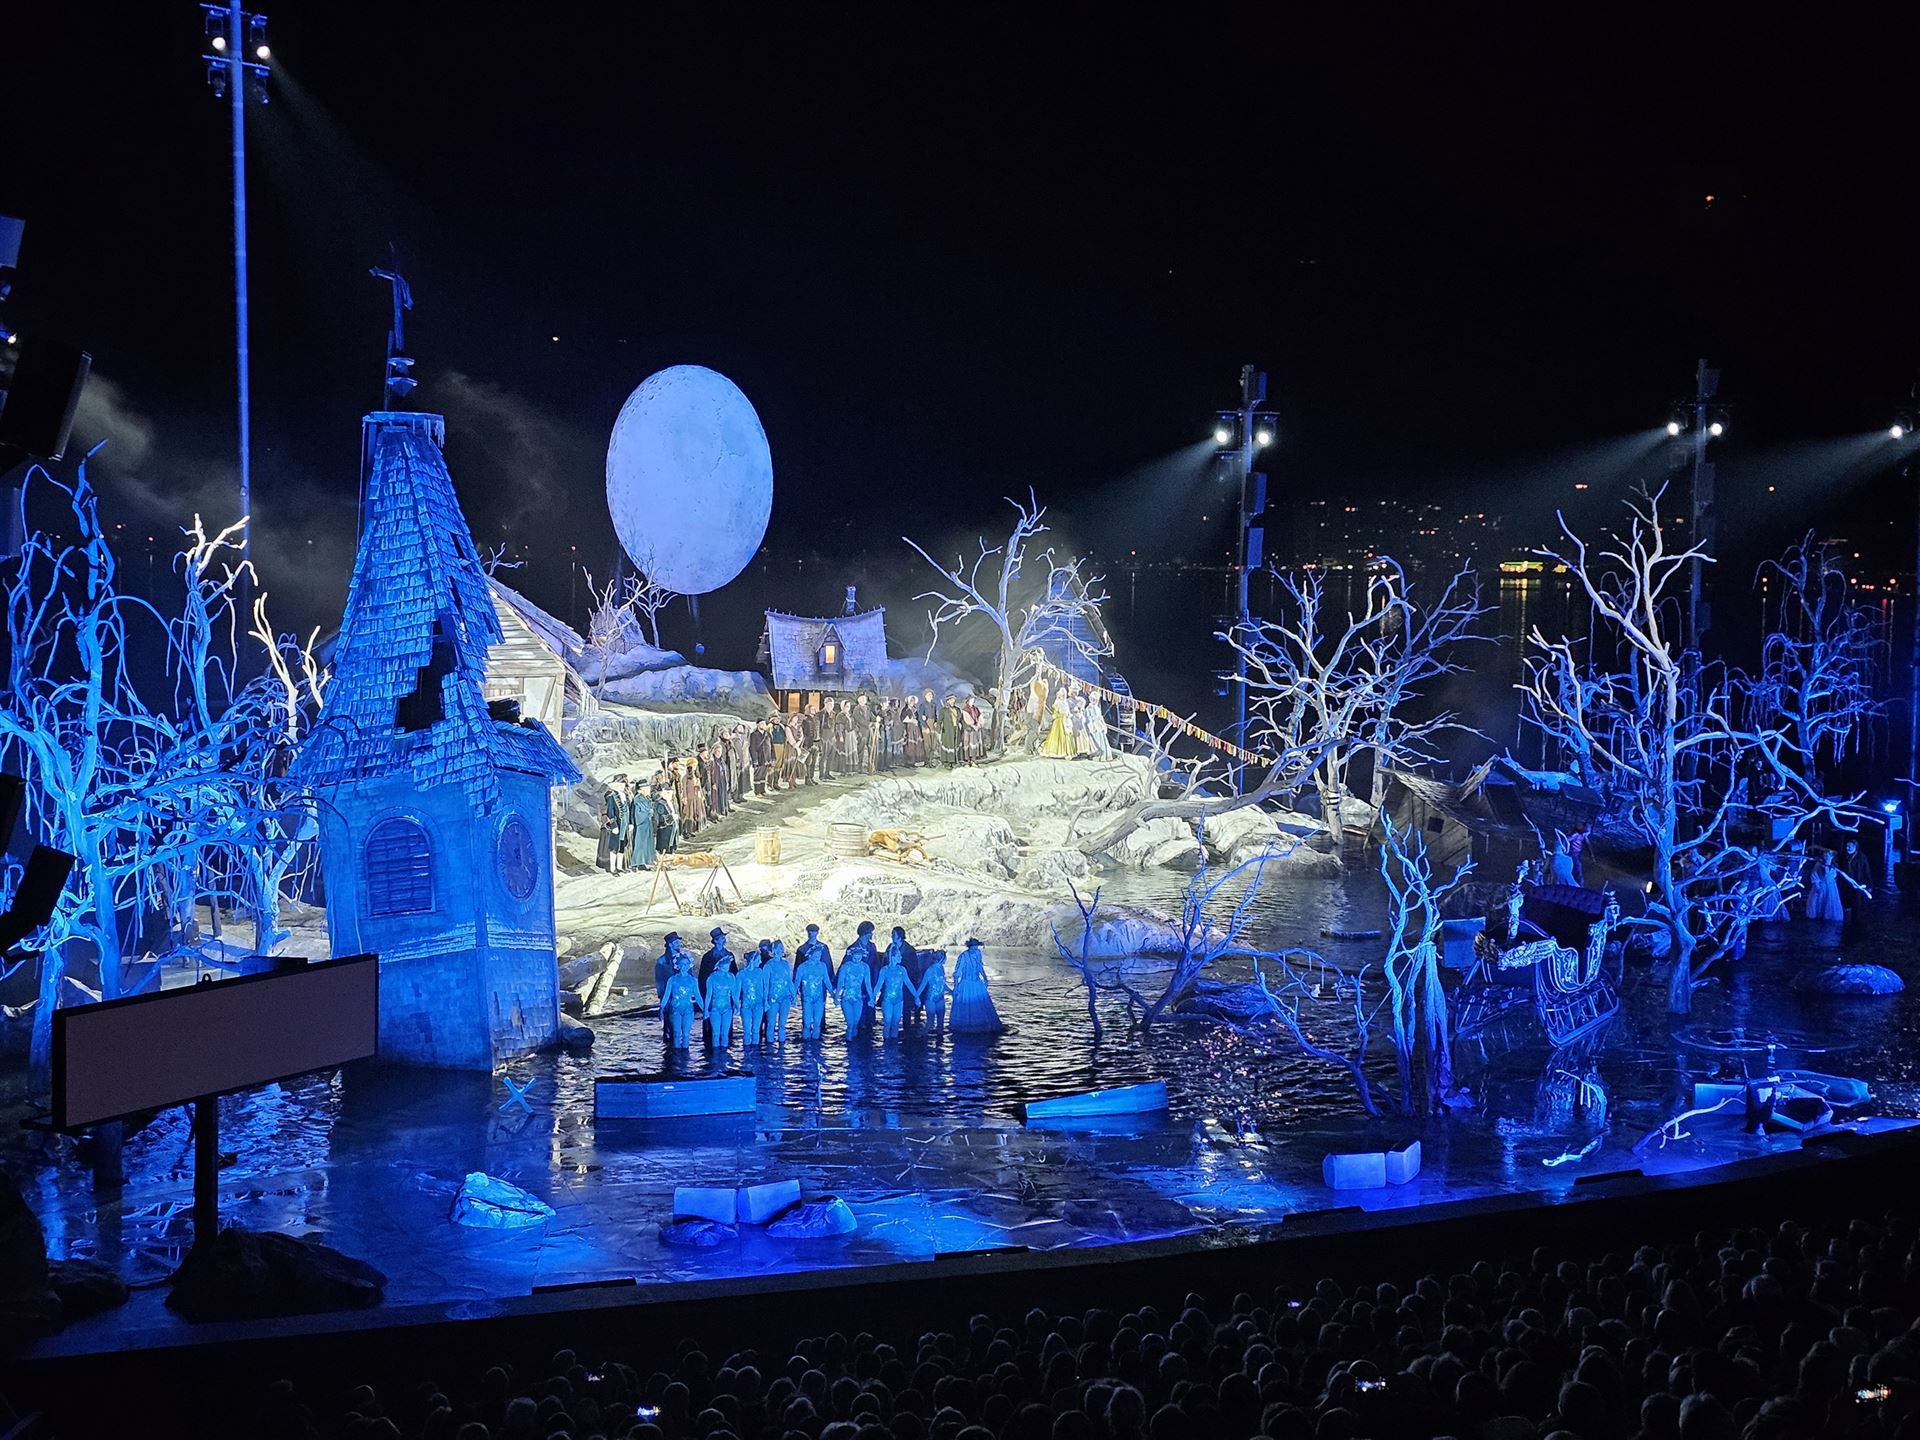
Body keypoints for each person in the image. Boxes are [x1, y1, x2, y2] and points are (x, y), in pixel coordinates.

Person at [949, 938, 1003, 1034]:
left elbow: (980, 967)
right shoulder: (963, 956)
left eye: (976, 947)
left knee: (981, 1004)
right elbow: (957, 973)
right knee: (968, 1005)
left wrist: (985, 977)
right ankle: (966, 1027)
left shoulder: (978, 953)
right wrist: (956, 988)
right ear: (969, 947)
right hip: (966, 984)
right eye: (973, 948)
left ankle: (983, 1026)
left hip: (977, 983)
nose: (975, 949)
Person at [660, 947, 704, 1051]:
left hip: (688, 1009)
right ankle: (676, 1054)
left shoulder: (693, 980)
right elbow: (666, 995)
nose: (684, 966)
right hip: (675, 1009)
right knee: (676, 1034)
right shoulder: (672, 979)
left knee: (686, 1035)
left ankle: (685, 1054)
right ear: (678, 965)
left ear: (689, 965)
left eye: (686, 964)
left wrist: (704, 1009)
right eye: (682, 964)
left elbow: (698, 996)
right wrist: (661, 1008)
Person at [873, 943, 914, 1039]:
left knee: (896, 1023)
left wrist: (916, 996)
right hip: (887, 1000)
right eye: (899, 955)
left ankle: (894, 1043)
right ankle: (886, 1042)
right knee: (887, 1022)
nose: (901, 957)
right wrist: (873, 997)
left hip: (899, 1000)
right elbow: (879, 985)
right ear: (893, 957)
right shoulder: (884, 970)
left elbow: (909, 984)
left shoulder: (902, 970)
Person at [835, 940, 875, 1037]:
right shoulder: (845, 967)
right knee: (850, 1024)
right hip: (846, 998)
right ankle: (849, 1042)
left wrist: (872, 998)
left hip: (858, 998)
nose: (857, 960)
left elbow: (868, 984)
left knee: (855, 1024)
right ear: (851, 956)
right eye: (855, 958)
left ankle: (853, 1043)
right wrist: (836, 997)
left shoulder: (865, 967)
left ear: (862, 956)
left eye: (859, 957)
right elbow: (840, 983)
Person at [794, 939, 832, 1040]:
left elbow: (826, 980)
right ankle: (806, 1043)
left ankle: (816, 1043)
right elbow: (797, 982)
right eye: (816, 955)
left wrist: (833, 993)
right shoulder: (802, 967)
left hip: (819, 998)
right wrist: (793, 996)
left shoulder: (822, 966)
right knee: (807, 1023)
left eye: (819, 955)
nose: (818, 957)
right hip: (807, 998)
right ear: (810, 955)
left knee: (817, 1023)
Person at [704, 950, 741, 1050]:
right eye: (724, 967)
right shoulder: (711, 978)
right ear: (719, 966)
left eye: (728, 967)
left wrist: (737, 1006)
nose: (726, 970)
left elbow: (734, 993)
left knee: (725, 1034)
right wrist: (705, 1010)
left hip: (727, 1008)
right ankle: (716, 1053)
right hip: (715, 1008)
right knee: (716, 1034)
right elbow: (708, 995)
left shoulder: (731, 977)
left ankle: (724, 1053)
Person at [738, 944, 768, 1046]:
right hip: (746, 1005)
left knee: (756, 1030)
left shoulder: (760, 972)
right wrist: (736, 1006)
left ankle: (755, 1050)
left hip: (759, 1005)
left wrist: (766, 1002)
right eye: (758, 960)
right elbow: (737, 992)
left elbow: (764, 988)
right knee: (747, 1030)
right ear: (752, 960)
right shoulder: (741, 974)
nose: (760, 962)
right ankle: (746, 1051)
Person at [1803, 848, 1845, 922]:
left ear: (1832, 856)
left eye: (1828, 856)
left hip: (1831, 887)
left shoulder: (1834, 865)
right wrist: (1817, 886)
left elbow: (1832, 876)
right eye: (1825, 856)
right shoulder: (1819, 865)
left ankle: (1829, 917)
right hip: (1821, 886)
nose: (1826, 857)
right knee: (1819, 901)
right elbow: (1814, 876)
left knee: (1830, 902)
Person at [914, 949, 949, 1035]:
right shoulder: (929, 970)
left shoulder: (941, 968)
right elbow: (923, 984)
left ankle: (939, 1039)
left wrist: (951, 991)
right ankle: (923, 1037)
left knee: (940, 1023)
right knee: (930, 1023)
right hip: (930, 999)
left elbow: (942, 984)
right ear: (942, 958)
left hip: (940, 998)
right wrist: (916, 996)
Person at [628, 779, 657, 871]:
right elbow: (639, 812)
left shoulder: (646, 797)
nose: (649, 789)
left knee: (646, 843)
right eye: (647, 788)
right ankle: (636, 863)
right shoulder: (638, 799)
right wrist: (649, 812)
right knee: (640, 843)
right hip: (641, 824)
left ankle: (644, 861)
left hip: (647, 823)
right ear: (642, 789)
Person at [1041, 684, 1074, 758]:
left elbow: (1067, 711)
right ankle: (1058, 752)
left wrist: (1068, 715)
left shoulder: (1065, 703)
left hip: (1066, 721)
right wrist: (1062, 715)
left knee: (1067, 735)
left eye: (1064, 695)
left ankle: (1066, 752)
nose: (1063, 697)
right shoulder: (1057, 703)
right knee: (1058, 736)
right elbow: (1055, 714)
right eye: (1062, 695)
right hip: (1059, 722)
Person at [652, 772, 679, 856]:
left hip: (671, 830)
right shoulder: (660, 804)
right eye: (667, 793)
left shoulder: (669, 802)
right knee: (664, 849)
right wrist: (671, 817)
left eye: (670, 793)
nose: (670, 795)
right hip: (664, 831)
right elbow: (660, 818)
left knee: (670, 847)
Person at [939, 695, 965, 768]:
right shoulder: (943, 710)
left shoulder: (957, 709)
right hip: (947, 730)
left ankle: (954, 760)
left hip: (956, 729)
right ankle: (947, 762)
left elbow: (961, 719)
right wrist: (939, 730)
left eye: (953, 700)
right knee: (948, 745)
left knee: (955, 744)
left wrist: (963, 727)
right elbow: (939, 721)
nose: (953, 701)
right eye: (951, 700)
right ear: (947, 701)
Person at [749, 719, 773, 796]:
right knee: (757, 775)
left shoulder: (768, 734)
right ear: (757, 725)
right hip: (759, 757)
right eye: (761, 723)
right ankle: (757, 791)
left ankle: (763, 790)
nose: (763, 725)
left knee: (763, 775)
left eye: (764, 724)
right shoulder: (754, 734)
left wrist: (772, 757)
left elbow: (771, 746)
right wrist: (754, 759)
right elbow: (752, 748)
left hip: (767, 758)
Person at [770, 714, 790, 789]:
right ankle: (770, 783)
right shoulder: (770, 727)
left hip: (782, 746)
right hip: (774, 746)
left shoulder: (782, 726)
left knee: (779, 764)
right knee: (773, 764)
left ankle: (776, 782)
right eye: (776, 719)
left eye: (778, 719)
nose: (777, 720)